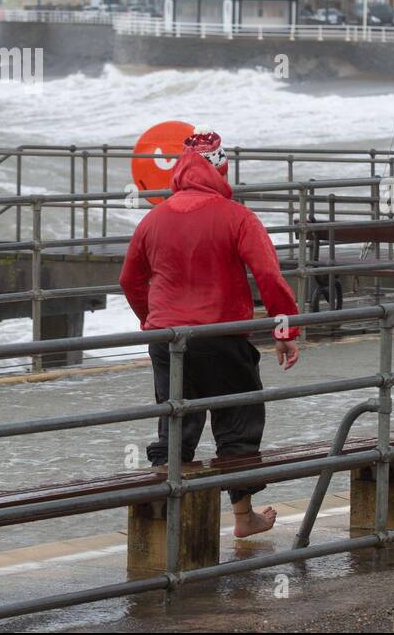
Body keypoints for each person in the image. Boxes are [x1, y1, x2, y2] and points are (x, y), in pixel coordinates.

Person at [120, 129, 301, 539]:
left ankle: (162, 522)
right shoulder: (236, 216)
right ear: (220, 169)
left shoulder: (154, 218)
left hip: (168, 337)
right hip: (222, 336)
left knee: (175, 421)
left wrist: (151, 319)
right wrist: (285, 327)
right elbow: (269, 276)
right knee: (237, 421)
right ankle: (242, 518)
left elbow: (130, 279)